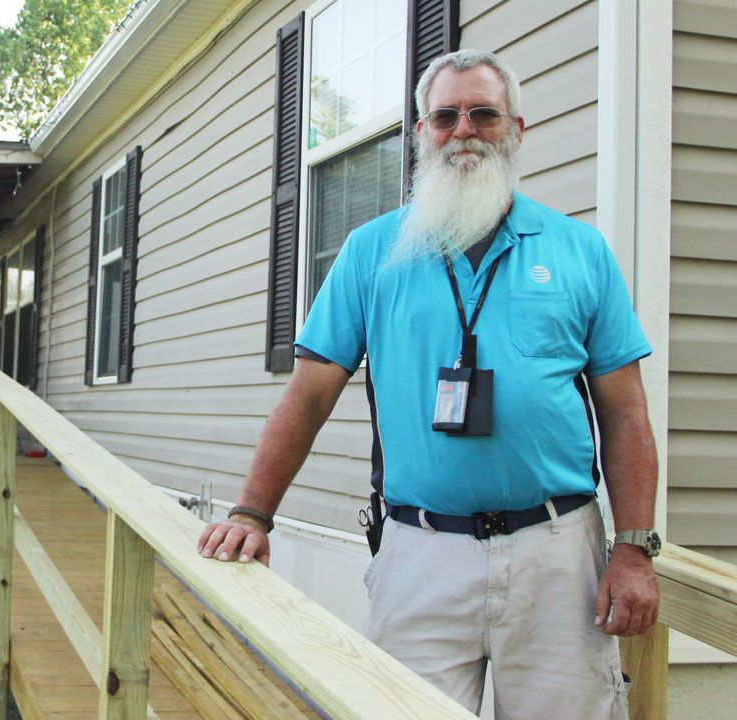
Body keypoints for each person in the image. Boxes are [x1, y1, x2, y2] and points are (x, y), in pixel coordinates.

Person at [197, 49, 660, 720]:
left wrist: (635, 550)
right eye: (444, 116)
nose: (463, 129)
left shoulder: (578, 251)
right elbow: (309, 396)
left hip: (560, 557)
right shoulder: (370, 251)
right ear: (420, 133)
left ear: (516, 129)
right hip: (420, 550)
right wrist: (251, 512)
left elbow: (626, 414)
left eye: (483, 114)